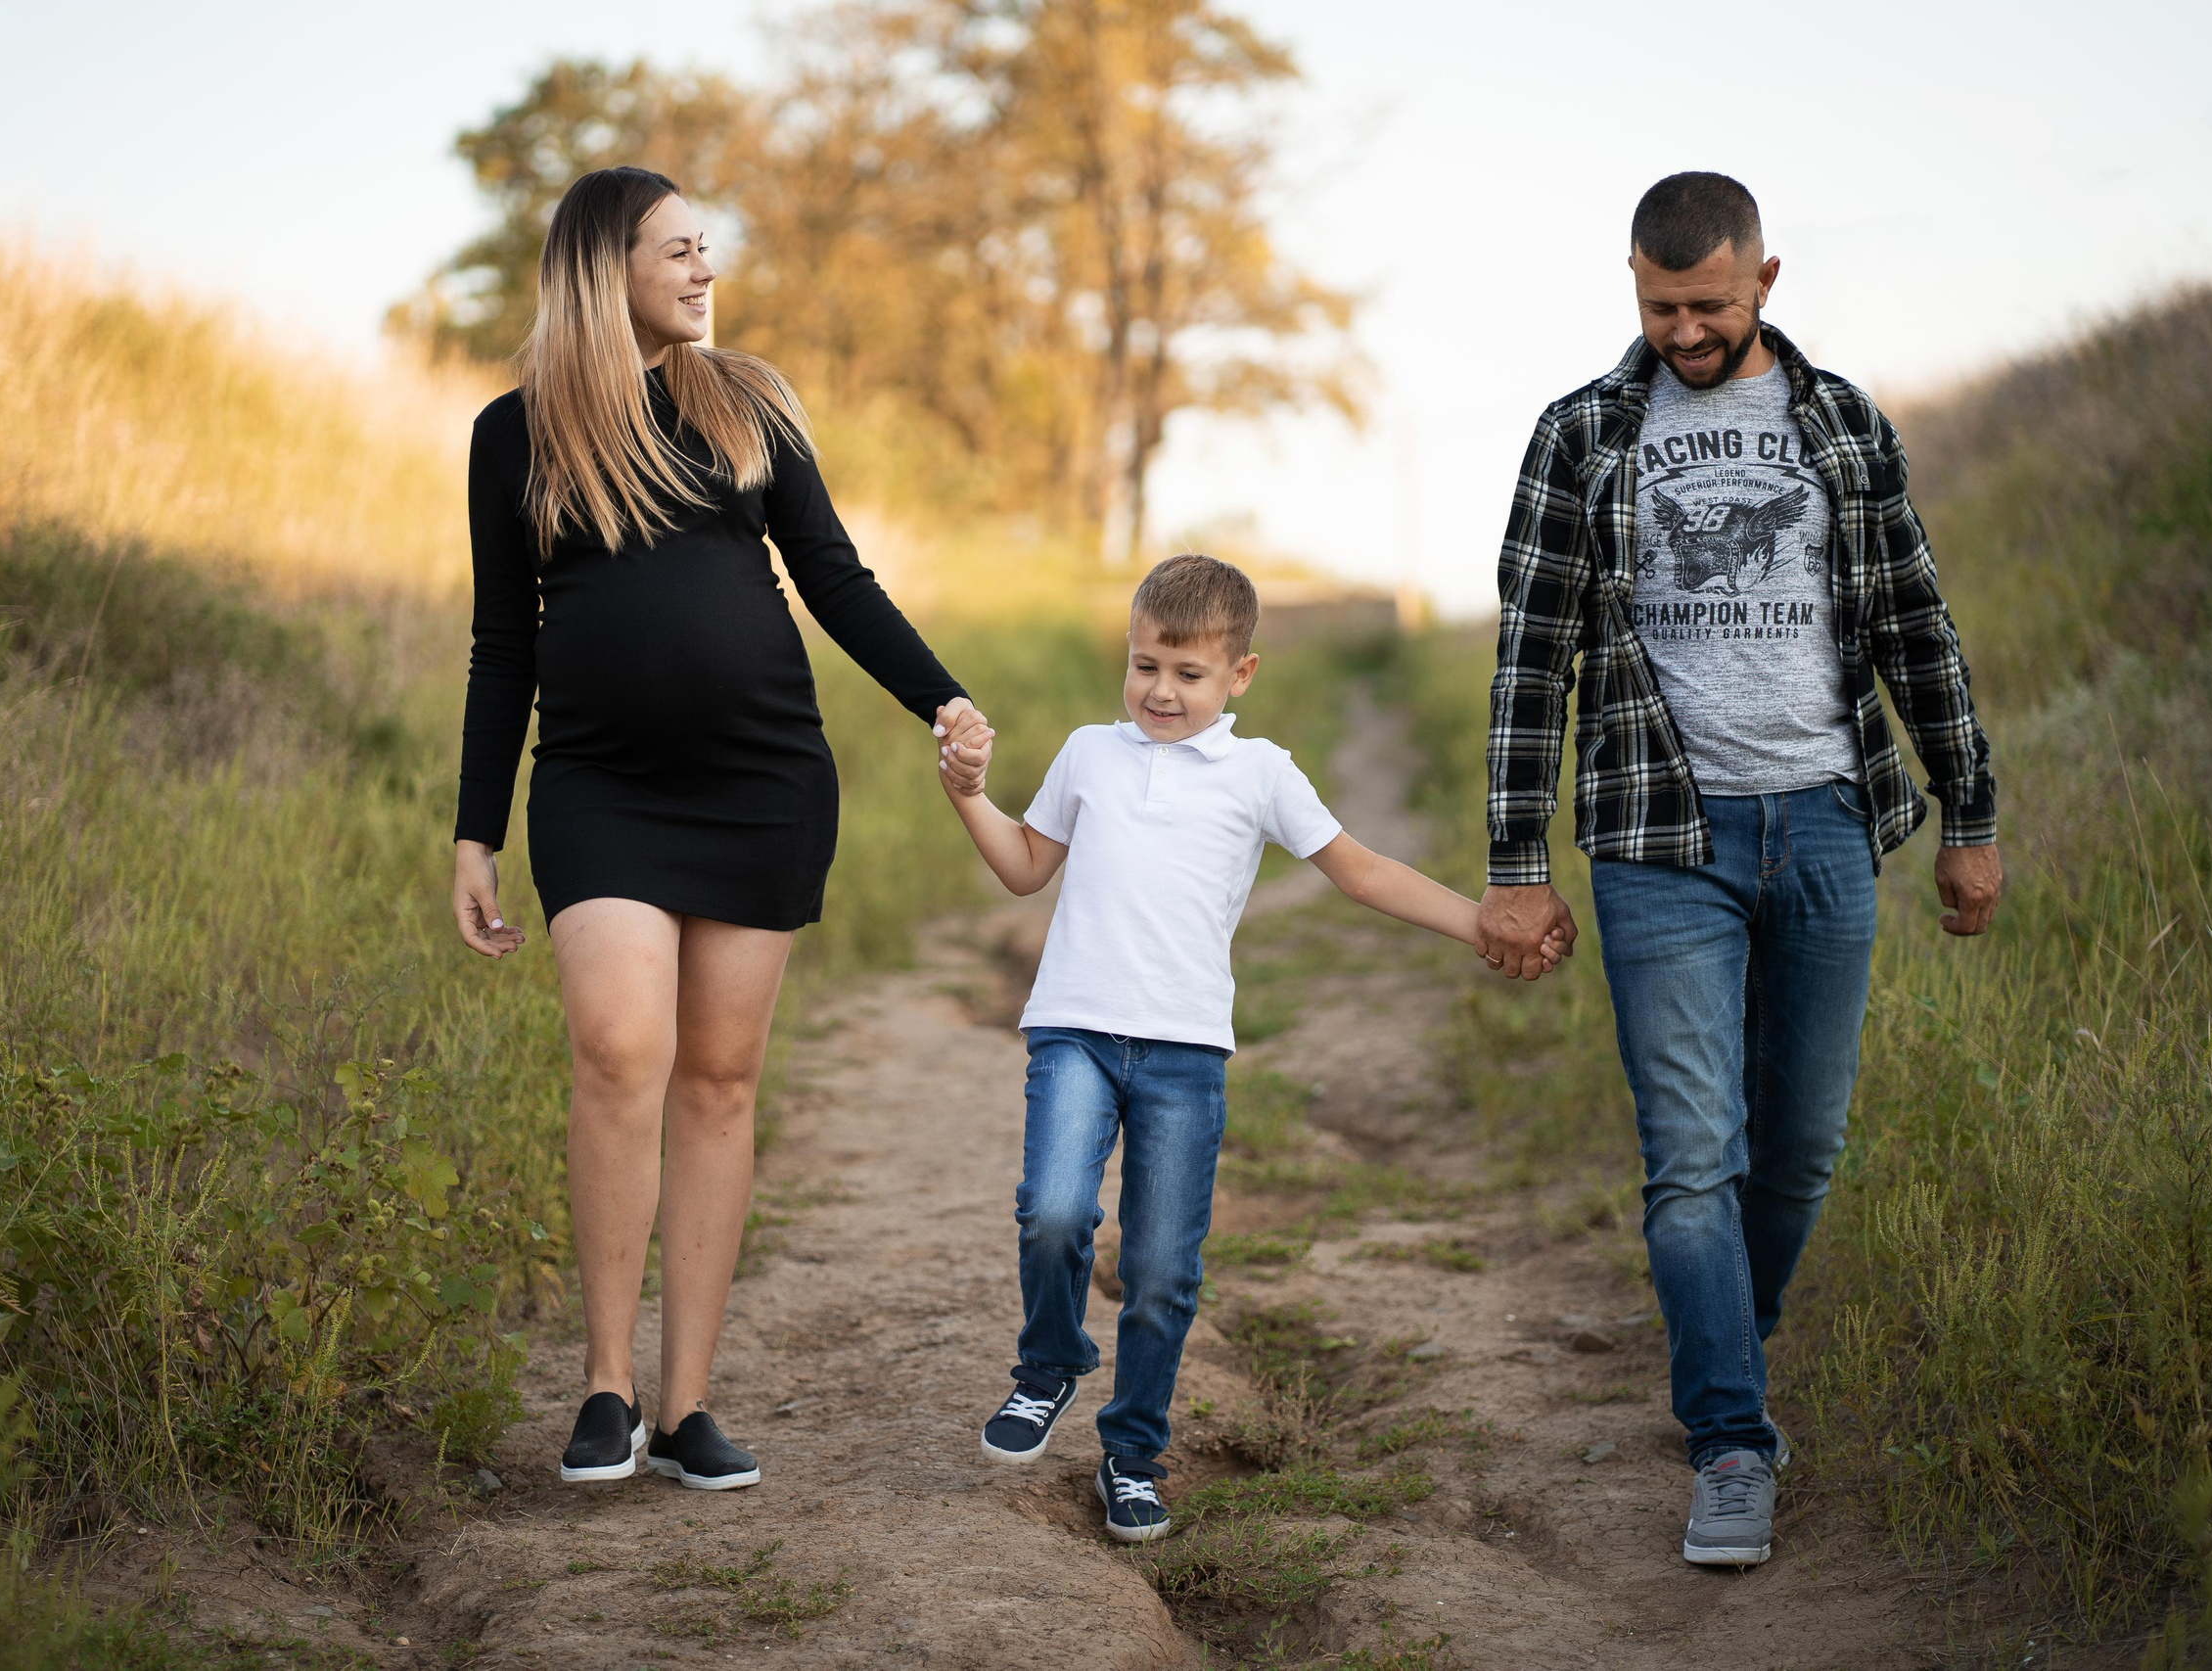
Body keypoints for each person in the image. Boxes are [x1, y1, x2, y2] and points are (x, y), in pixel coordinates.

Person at [1476, 171, 2004, 1566]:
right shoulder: (1582, 433)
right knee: (1692, 1157)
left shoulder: (1838, 422)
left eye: (1709, 304)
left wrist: (1970, 813)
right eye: (1660, 306)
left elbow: (1913, 620)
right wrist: (1515, 859)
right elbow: (1533, 659)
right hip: (1663, 840)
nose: (1685, 330)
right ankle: (1728, 1437)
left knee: (1804, 1146)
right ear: (1632, 283)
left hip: (1828, 818)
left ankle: (1731, 1348)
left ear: (1766, 278)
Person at [450, 166, 978, 1492]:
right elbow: (503, 642)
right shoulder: (514, 435)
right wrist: (475, 827)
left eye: (708, 253)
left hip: (758, 778)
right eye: (679, 251)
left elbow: (835, 576)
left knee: (722, 1079)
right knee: (621, 1045)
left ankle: (686, 1403)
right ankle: (605, 1384)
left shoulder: (744, 406)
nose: (704, 272)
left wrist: (943, 695)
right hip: (599, 783)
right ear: (602, 267)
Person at [933, 554, 1549, 1542]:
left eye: (1187, 674)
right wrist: (967, 792)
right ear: (1125, 658)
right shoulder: (1089, 754)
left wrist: (1479, 922)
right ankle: (1047, 1367)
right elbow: (1021, 869)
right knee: (1052, 1212)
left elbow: (1360, 873)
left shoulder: (1261, 775)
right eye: (1144, 667)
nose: (1161, 692)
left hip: (1182, 1055)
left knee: (1165, 1269)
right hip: (1075, 1033)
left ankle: (1133, 1457)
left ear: (1239, 675)